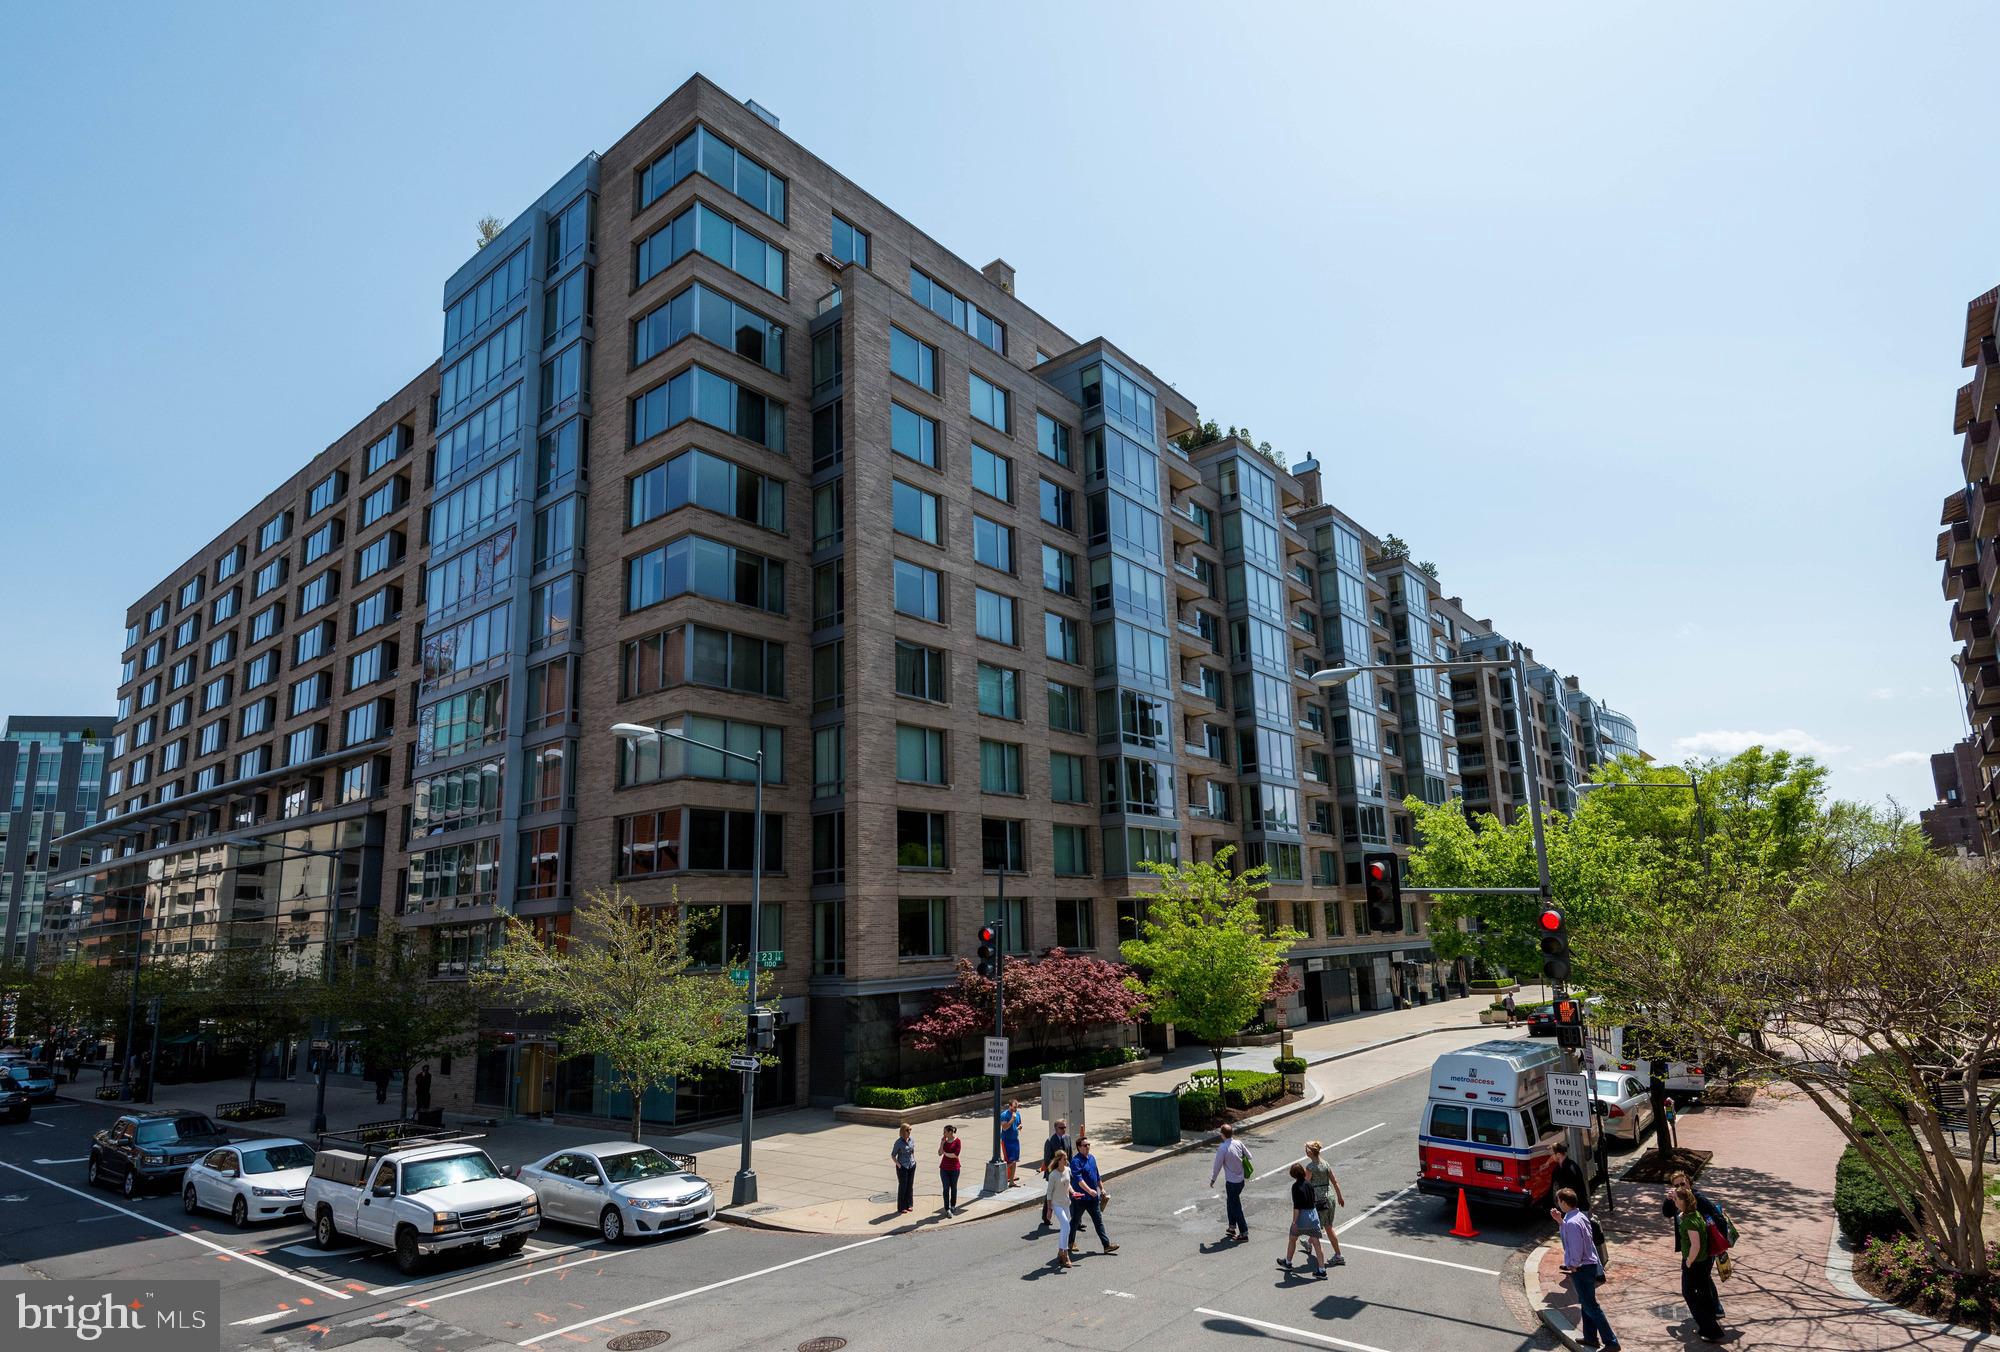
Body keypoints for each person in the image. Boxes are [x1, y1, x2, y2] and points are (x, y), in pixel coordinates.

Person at [1552, 1187, 1620, 1350]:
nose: (1558, 1204)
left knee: (1591, 1306)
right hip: (1588, 1266)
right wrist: (1560, 1222)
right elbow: (1574, 1236)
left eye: (1558, 1201)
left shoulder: (1573, 1222)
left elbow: (1575, 1246)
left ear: (1563, 1202)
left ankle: (1611, 1342)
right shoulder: (1578, 1216)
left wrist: (1573, 1265)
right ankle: (1591, 1337)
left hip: (1581, 1268)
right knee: (1586, 1302)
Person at [1661, 1172, 1735, 1316]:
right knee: (1704, 1279)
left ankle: (1709, 1313)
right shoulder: (1677, 1199)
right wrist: (1668, 1199)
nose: (1681, 1187)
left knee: (1698, 1282)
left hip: (1703, 1249)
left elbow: (1718, 1218)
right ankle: (1714, 1310)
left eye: (1683, 1183)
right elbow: (1667, 1213)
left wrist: (1719, 1243)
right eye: (1676, 1185)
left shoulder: (1699, 1199)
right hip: (1689, 1247)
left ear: (1689, 1183)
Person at [1670, 1183, 1727, 1343]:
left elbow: (1696, 1245)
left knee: (1690, 1294)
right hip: (1701, 1262)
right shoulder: (1693, 1215)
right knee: (1702, 1295)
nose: (1674, 1201)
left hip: (1695, 1264)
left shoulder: (1690, 1221)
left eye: (1676, 1199)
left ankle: (1711, 1330)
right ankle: (1707, 1326)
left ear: (1683, 1202)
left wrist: (1688, 1261)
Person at [1302, 1140, 1347, 1266]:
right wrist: (1339, 1197)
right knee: (1325, 1224)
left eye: (1307, 1150)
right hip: (1330, 1197)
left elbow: (1305, 1184)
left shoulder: (1310, 1167)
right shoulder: (1325, 1164)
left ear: (1311, 1152)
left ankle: (1338, 1255)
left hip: (1319, 1200)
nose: (1306, 1151)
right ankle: (1308, 1243)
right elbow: (1335, 1181)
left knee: (1324, 1227)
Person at [1068, 1137, 1117, 1253]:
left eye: (1088, 1144)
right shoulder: (1075, 1162)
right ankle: (1070, 1243)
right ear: (1079, 1147)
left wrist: (1102, 1188)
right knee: (1075, 1221)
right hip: (1080, 1198)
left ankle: (1106, 1245)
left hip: (1093, 1199)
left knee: (1098, 1222)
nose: (1088, 1147)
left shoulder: (1092, 1158)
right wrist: (1089, 1190)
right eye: (1085, 1145)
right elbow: (1079, 1180)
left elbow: (1097, 1175)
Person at [1281, 1162, 1329, 1277]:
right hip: (1313, 1215)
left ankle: (1288, 1262)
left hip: (1302, 1217)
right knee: (1317, 1243)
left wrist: (1294, 1222)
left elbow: (1297, 1207)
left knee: (1293, 1238)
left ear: (1293, 1175)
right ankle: (1322, 1270)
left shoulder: (1295, 1187)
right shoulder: (1309, 1184)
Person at [1208, 1121, 1253, 1242]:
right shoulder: (1238, 1143)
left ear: (1223, 1134)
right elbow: (1249, 1156)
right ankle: (1232, 1227)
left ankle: (1244, 1232)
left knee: (1235, 1206)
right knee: (1231, 1202)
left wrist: (1213, 1179)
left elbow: (1217, 1166)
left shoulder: (1222, 1148)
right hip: (1240, 1181)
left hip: (1231, 1183)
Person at [1039, 1118, 1073, 1229]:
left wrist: (1070, 1169)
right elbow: (1047, 1159)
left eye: (1065, 1127)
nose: (1063, 1129)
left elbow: (1070, 1155)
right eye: (1061, 1128)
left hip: (1066, 1172)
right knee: (1051, 1194)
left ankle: (1075, 1219)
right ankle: (1046, 1216)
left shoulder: (1067, 1138)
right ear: (1055, 1128)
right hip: (1054, 1173)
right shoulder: (1050, 1141)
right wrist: (1057, 1169)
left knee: (1069, 1193)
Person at [1045, 1148, 1074, 1270]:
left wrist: (1074, 1192)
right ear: (1058, 1160)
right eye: (1064, 1159)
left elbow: (1068, 1185)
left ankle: (1060, 1251)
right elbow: (1049, 1193)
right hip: (1057, 1204)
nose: (1066, 1160)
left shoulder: (1068, 1170)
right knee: (1066, 1225)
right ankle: (1065, 1254)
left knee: (1065, 1228)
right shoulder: (1053, 1175)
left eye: (1066, 1158)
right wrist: (1049, 1209)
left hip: (1066, 1203)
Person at [1551, 1141, 1590, 1211]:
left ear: (1559, 1155)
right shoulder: (1557, 1169)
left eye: (1552, 1155)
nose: (1550, 1157)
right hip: (1566, 1207)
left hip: (1575, 1207)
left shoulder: (1571, 1168)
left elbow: (1576, 1190)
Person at [890, 1123, 917, 1214]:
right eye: (907, 1130)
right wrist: (899, 1165)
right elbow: (893, 1155)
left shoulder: (912, 1140)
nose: (909, 1132)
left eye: (910, 1130)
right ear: (902, 1131)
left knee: (910, 1186)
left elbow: (912, 1151)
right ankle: (901, 1207)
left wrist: (914, 1160)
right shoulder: (898, 1143)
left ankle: (909, 1204)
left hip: (911, 1165)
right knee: (903, 1187)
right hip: (903, 1167)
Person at [998, 1099, 1024, 1187]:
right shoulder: (1004, 1115)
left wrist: (1020, 1126)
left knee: (1014, 1160)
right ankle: (999, 1177)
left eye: (1016, 1107)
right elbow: (1004, 1128)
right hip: (1007, 1141)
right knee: (1009, 1161)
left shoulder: (1018, 1114)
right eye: (1014, 1107)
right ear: (1009, 1106)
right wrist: (1012, 1119)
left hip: (1015, 1140)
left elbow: (1019, 1124)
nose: (1015, 1109)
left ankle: (1011, 1181)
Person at [937, 1124, 962, 1215]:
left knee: (953, 1187)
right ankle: (947, 1208)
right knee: (946, 1188)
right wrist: (942, 1143)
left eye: (945, 1132)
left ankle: (953, 1205)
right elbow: (939, 1153)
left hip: (955, 1168)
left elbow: (955, 1155)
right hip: (944, 1168)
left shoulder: (957, 1141)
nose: (943, 1134)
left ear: (950, 1132)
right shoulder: (945, 1141)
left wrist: (945, 1153)